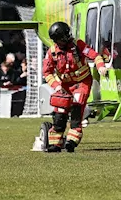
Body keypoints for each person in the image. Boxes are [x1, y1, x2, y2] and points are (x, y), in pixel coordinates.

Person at [40, 21, 106, 153]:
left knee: (77, 109)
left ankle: (71, 141)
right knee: (59, 113)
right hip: (64, 86)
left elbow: (94, 55)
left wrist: (101, 67)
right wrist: (57, 86)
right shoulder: (52, 52)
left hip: (82, 83)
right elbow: (46, 72)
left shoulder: (78, 45)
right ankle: (55, 144)